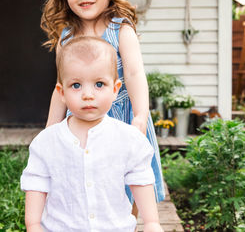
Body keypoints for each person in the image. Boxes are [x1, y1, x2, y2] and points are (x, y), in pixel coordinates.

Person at [40, 0, 165, 205]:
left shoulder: (120, 29)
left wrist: (139, 116)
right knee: (86, 181)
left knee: (130, 182)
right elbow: (61, 88)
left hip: (122, 117)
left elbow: (135, 73)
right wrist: (50, 130)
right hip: (81, 122)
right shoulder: (66, 38)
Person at [21, 36, 163, 232]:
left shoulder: (128, 139)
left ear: (115, 89)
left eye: (99, 84)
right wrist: (33, 225)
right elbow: (36, 182)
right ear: (62, 93)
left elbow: (141, 180)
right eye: (76, 85)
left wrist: (151, 223)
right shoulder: (47, 142)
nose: (88, 94)